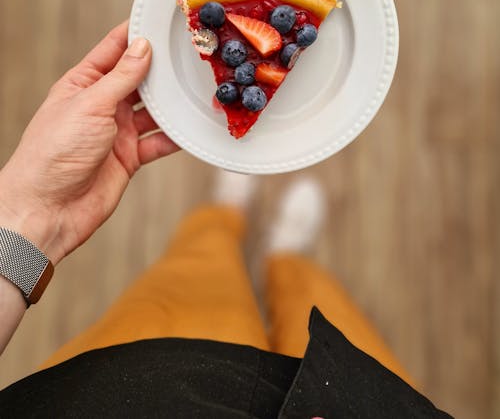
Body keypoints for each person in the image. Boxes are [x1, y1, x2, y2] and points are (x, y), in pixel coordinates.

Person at [0, 22, 452, 418]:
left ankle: (224, 221)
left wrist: (34, 213)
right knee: (324, 315)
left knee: (192, 277)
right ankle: (286, 258)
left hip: (143, 385)